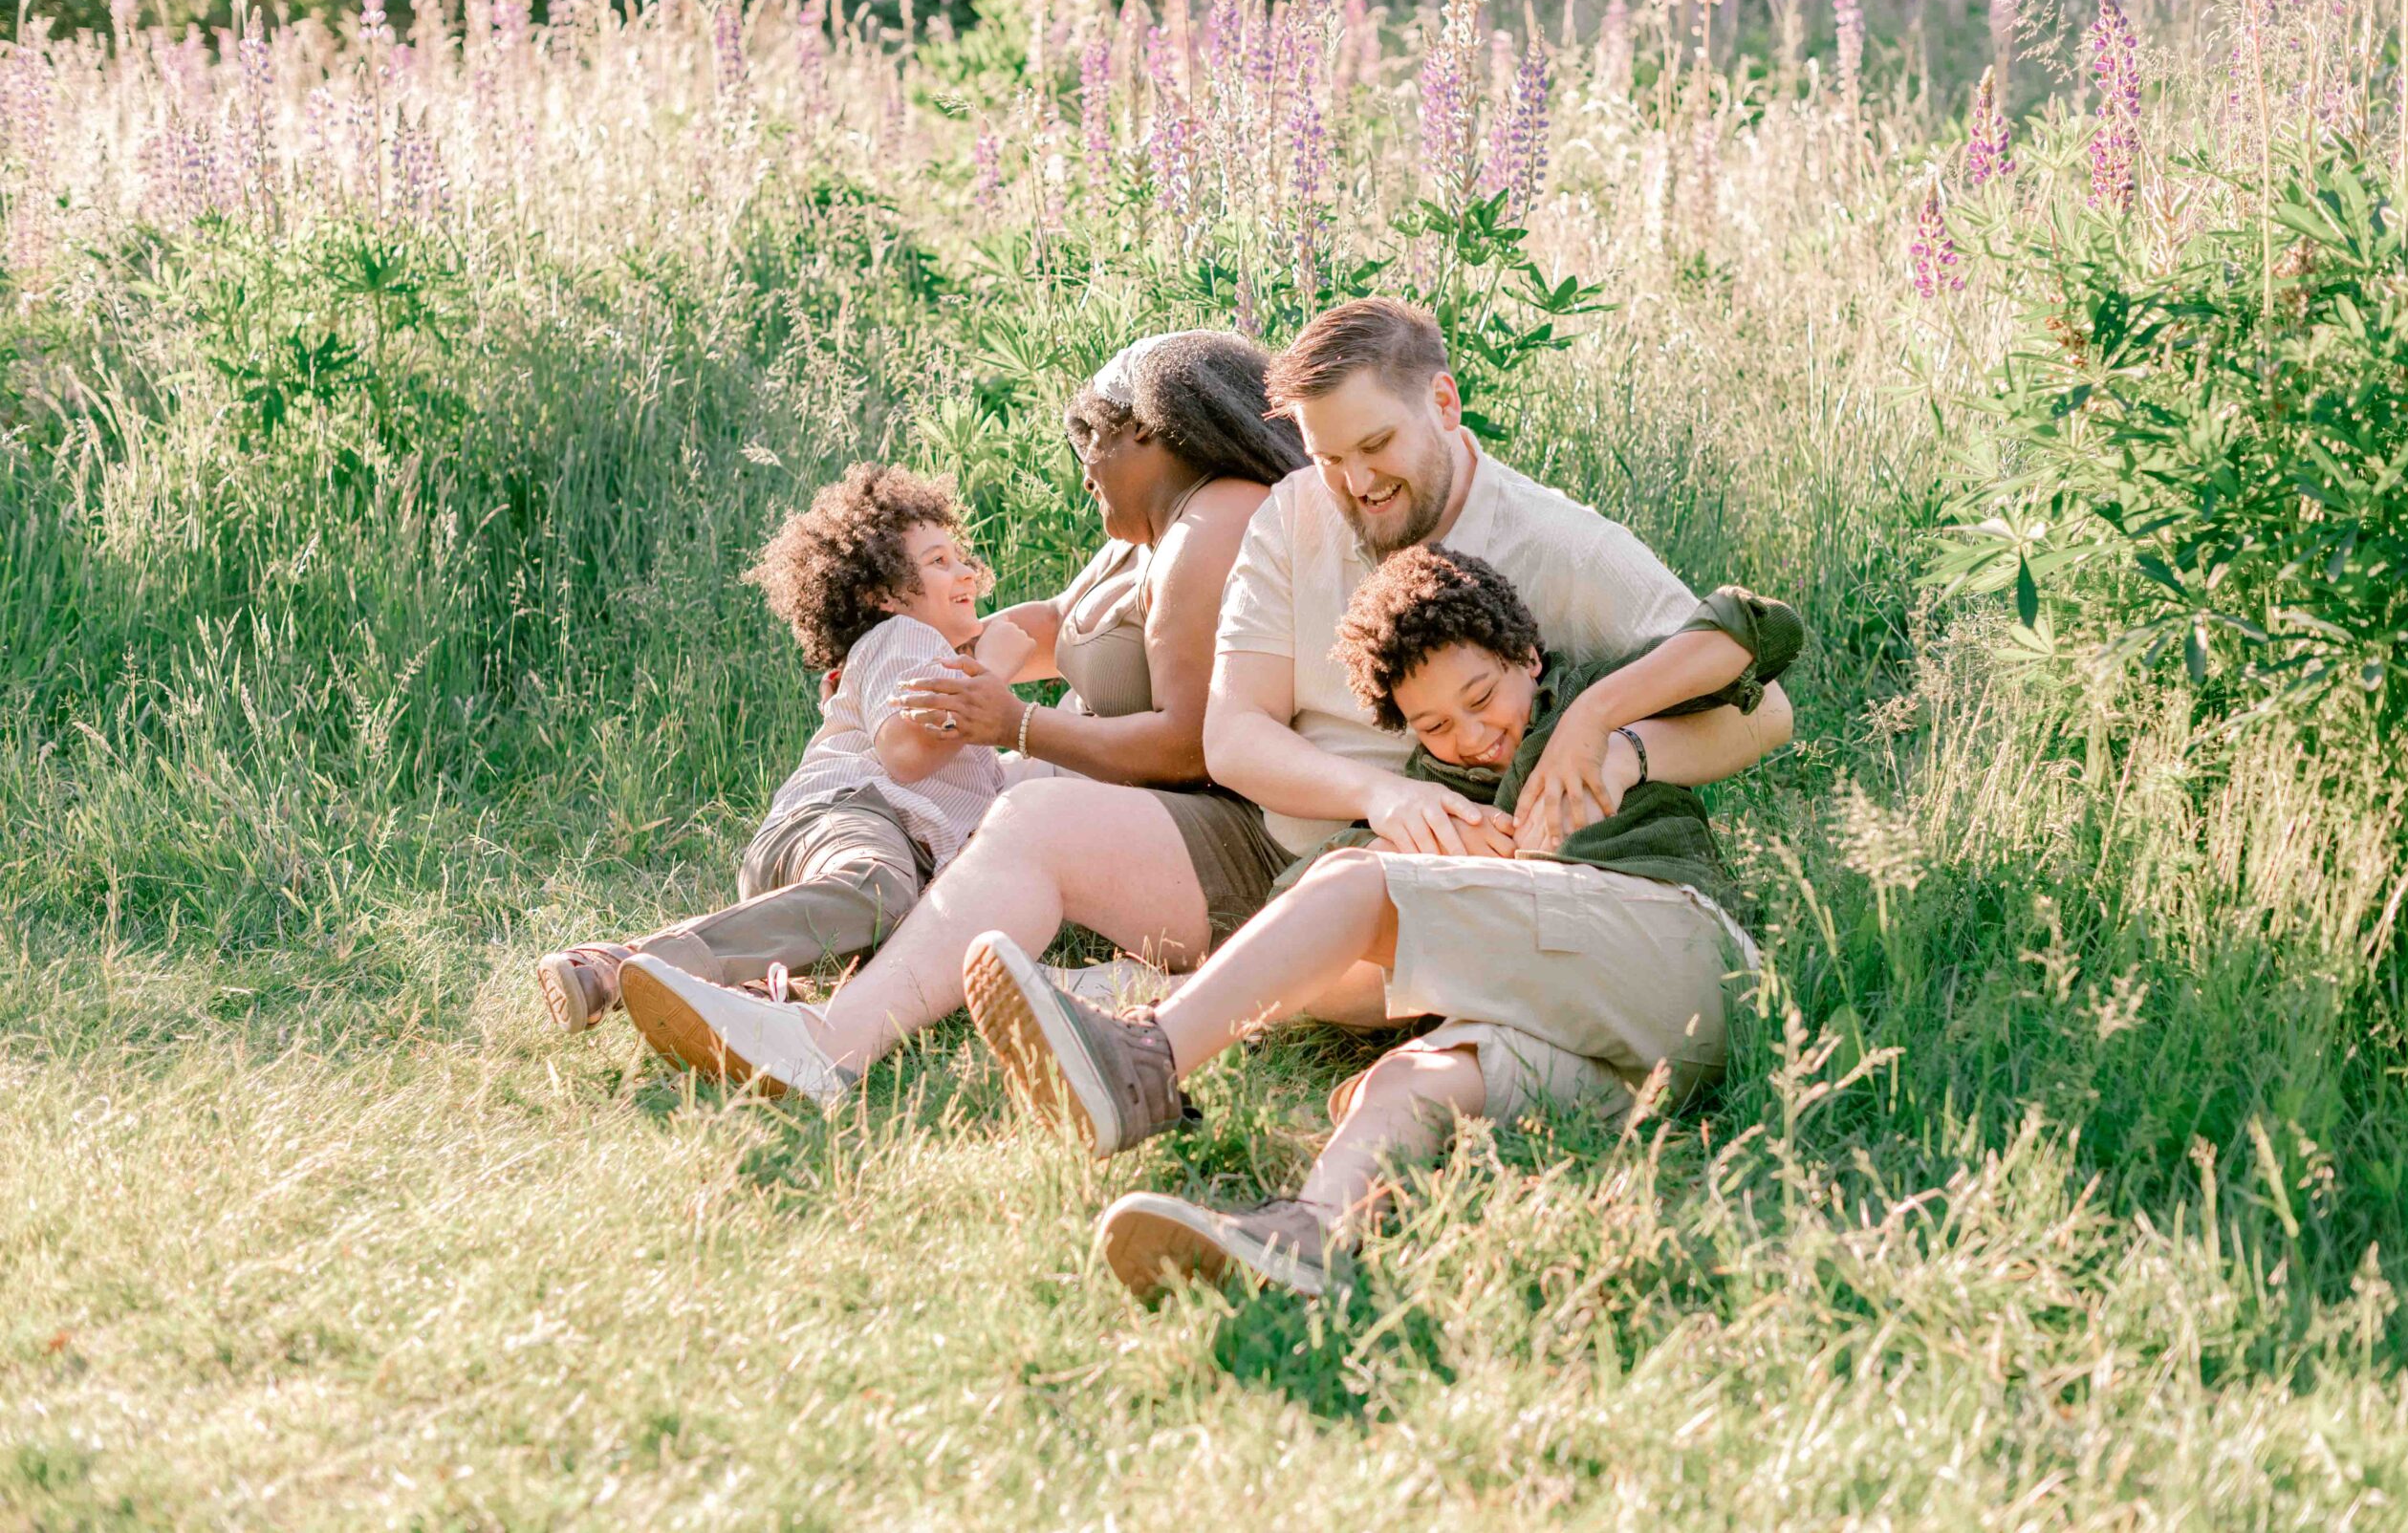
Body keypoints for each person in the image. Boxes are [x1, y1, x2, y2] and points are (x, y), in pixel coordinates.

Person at [628, 294, 1791, 1104]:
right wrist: (1366, 796)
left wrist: (1602, 732)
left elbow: (1751, 704)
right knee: (1030, 819)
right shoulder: (1296, 515)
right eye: (1330, 457)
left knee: (1338, 899)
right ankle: (830, 1044)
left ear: (1443, 402)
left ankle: (1124, 1010)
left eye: (1377, 444)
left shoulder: (1556, 542)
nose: (1356, 483)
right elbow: (1230, 733)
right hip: (1271, 839)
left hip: (1431, 878)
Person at [962, 545, 1806, 1298]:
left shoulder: (1581, 701)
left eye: (1483, 697)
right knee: (1410, 1078)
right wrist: (1447, 860)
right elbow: (1307, 919)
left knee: (1361, 888)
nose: (1476, 737)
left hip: (1685, 958)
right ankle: (1313, 1230)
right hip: (1633, 1067)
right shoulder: (1438, 802)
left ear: (1527, 658)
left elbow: (1754, 632)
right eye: (1436, 726)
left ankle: (1147, 1059)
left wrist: (1595, 722)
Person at [616, 331, 1306, 1094]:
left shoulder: (1215, 523)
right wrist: (929, 672)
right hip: (1165, 838)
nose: (1083, 468)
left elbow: (1189, 746)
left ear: (1144, 427)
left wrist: (1012, 722)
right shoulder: (1146, 537)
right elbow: (1047, 624)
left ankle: (823, 1044)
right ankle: (782, 971)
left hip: (1246, 854)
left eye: (1091, 437)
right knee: (982, 803)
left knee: (1030, 808)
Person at [534, 463, 1024, 1050]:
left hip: (831, 860)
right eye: (938, 561)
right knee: (879, 892)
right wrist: (993, 674)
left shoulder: (919, 656)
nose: (966, 571)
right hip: (854, 820)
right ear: (885, 595)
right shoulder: (905, 637)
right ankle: (630, 963)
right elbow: (906, 754)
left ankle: (749, 988)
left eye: (962, 558)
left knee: (898, 931)